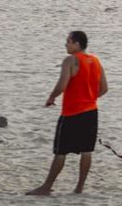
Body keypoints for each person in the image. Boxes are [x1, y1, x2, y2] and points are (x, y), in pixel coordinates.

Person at [26, 31, 108, 196]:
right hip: (91, 111)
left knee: (61, 151)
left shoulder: (70, 60)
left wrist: (51, 97)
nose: (66, 44)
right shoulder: (96, 61)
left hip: (72, 112)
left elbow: (62, 84)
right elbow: (104, 88)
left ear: (76, 44)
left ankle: (47, 187)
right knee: (86, 151)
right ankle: (79, 187)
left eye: (68, 41)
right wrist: (90, 97)